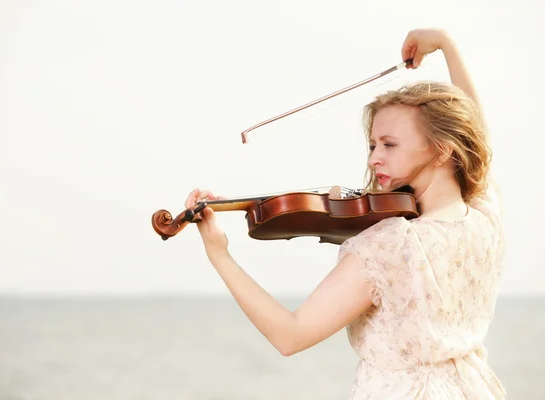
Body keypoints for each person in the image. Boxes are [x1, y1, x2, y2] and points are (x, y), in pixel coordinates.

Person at [184, 28, 506, 399]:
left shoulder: (392, 246)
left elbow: (291, 335)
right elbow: (474, 132)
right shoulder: (483, 213)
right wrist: (446, 44)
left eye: (390, 144)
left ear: (440, 151)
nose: (374, 159)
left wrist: (219, 254)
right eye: (372, 144)